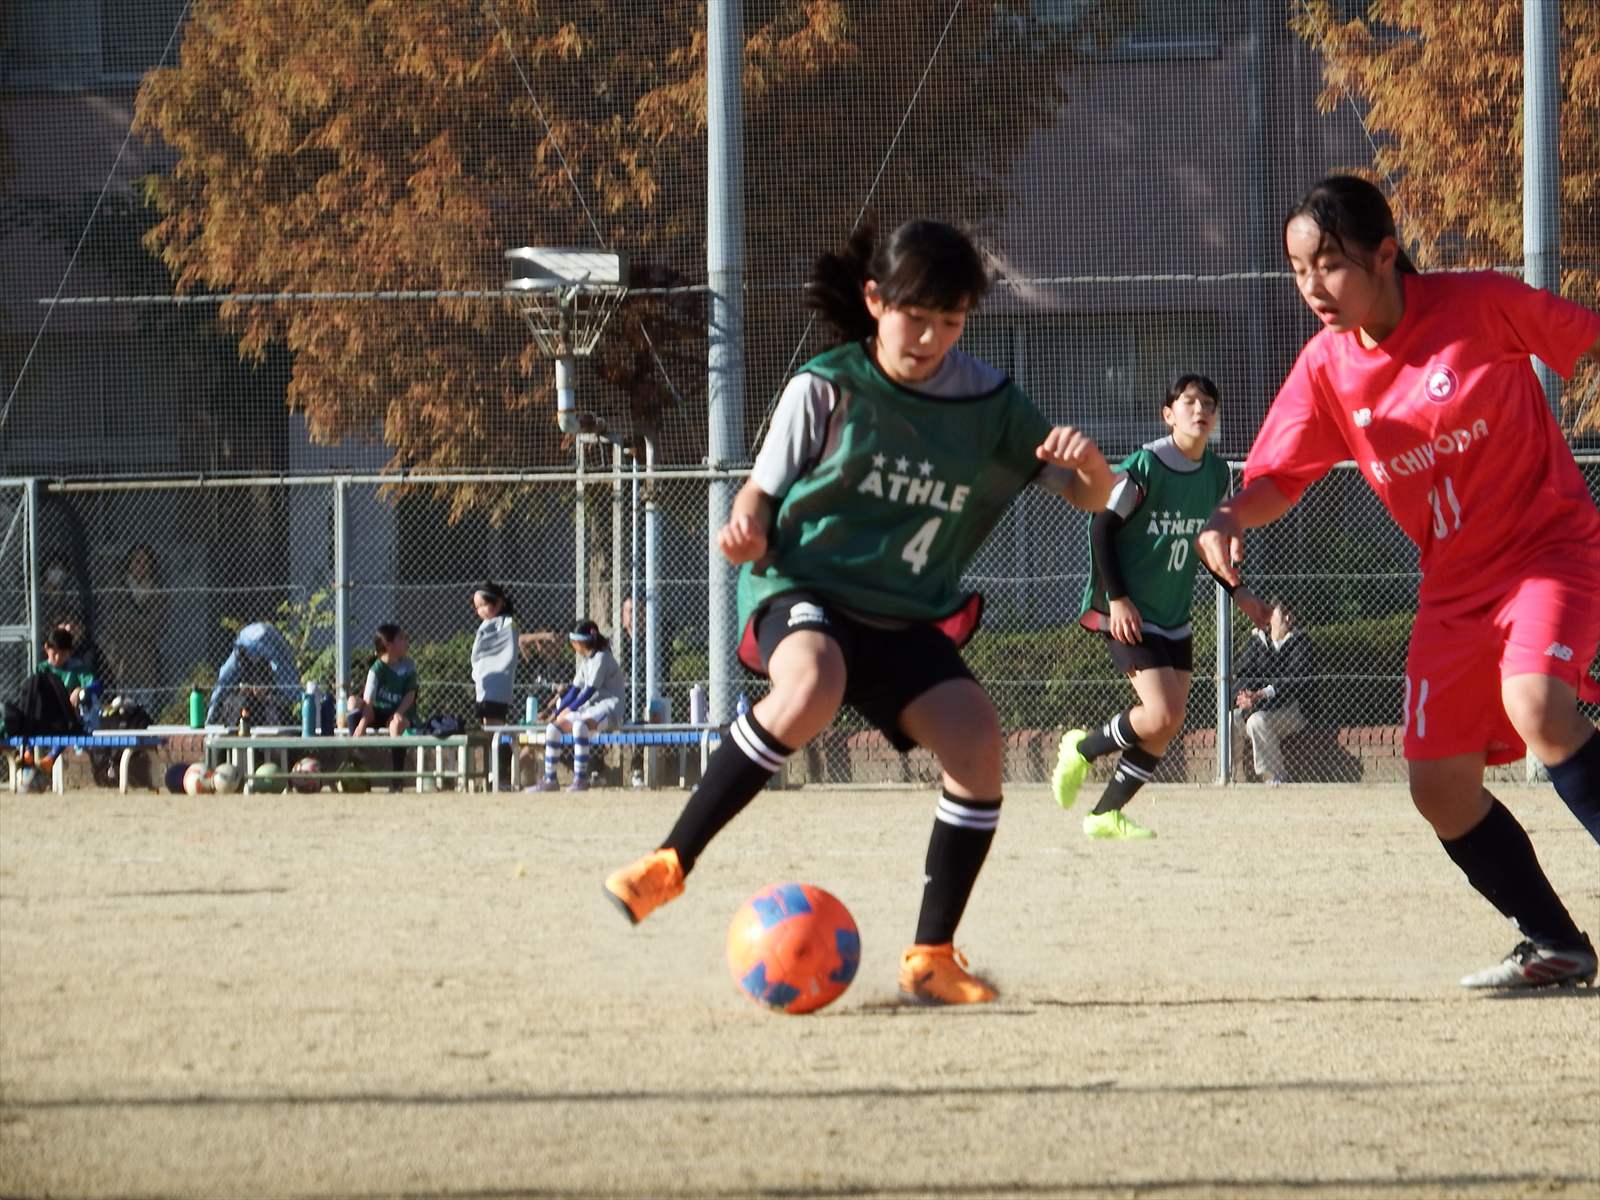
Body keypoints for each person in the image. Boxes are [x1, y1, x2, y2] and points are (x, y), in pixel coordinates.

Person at [601, 217, 1113, 1005]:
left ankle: (931, 957)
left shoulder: (989, 401)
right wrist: (745, 530)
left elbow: (1086, 496)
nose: (932, 337)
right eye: (917, 316)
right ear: (875, 301)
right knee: (811, 685)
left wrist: (1093, 470)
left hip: (905, 615)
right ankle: (669, 863)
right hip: (805, 590)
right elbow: (758, 494)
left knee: (977, 740)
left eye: (951, 321)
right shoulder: (827, 385)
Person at [1197, 174, 1600, 990]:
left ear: (1385, 255)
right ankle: (1556, 945)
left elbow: (1587, 340)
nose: (1313, 286)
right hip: (1452, 590)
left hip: (1549, 552)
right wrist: (1231, 514)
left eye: (1330, 264)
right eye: (1298, 269)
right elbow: (1280, 476)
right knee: (1439, 788)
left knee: (1538, 705)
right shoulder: (1326, 367)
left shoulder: (1481, 304)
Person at [1050, 374, 1270, 839]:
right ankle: (1081, 749)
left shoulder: (1216, 474)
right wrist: (1118, 599)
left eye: (1208, 403)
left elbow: (1206, 543)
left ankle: (1104, 814)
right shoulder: (1146, 465)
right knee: (1162, 715)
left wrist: (1240, 592)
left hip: (1173, 616)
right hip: (1129, 610)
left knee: (1166, 725)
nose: (1201, 409)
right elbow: (1101, 527)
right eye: (1189, 402)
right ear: (1168, 414)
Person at [528, 619, 625, 793]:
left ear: (579, 642)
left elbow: (588, 691)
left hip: (609, 708)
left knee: (580, 726)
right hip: (589, 709)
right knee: (553, 728)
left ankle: (580, 779)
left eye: (572, 642)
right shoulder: (586, 662)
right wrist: (556, 714)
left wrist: (569, 709)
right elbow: (573, 691)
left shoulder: (602, 658)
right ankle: (550, 779)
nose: (572, 645)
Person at [1232, 596, 1314, 786]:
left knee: (1257, 721)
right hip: (1260, 707)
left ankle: (1274, 775)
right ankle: (1227, 775)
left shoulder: (1300, 643)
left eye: (1290, 613)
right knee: (1231, 719)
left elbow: (1293, 680)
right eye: (1283, 613)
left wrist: (1261, 694)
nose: (1288, 618)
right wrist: (1245, 695)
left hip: (1292, 710)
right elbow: (1243, 673)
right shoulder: (1257, 642)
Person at [206, 621, 300, 726]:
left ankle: (211, 719)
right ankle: (211, 719)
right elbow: (223, 683)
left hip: (259, 642)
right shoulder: (241, 654)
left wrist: (267, 693)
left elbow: (289, 688)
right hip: (246, 642)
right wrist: (242, 690)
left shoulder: (276, 655)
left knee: (289, 691)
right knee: (224, 683)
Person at [108, 544, 166, 710]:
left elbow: (154, 626)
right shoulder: (118, 589)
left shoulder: (157, 592)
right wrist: (140, 622)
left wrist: (126, 619)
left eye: (145, 562)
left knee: (145, 711)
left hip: (146, 664)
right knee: (120, 710)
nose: (141, 566)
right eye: (137, 561)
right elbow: (113, 622)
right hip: (121, 662)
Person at [352, 624, 418, 736]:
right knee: (352, 702)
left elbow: (410, 695)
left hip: (401, 714)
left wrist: (397, 713)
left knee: (396, 724)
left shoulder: (408, 665)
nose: (406, 642)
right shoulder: (376, 669)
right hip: (379, 715)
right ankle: (351, 743)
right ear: (389, 645)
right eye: (401, 638)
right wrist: (362, 725)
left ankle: (395, 748)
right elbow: (368, 704)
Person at [470, 582, 517, 726]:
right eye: (477, 607)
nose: (481, 610)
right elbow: (479, 652)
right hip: (484, 682)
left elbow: (507, 648)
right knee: (486, 722)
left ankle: (500, 742)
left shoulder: (507, 624)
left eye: (484, 605)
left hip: (498, 683)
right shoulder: (485, 625)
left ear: (499, 603)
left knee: (494, 724)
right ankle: (495, 741)